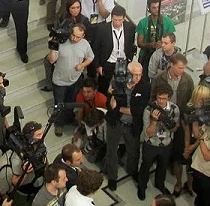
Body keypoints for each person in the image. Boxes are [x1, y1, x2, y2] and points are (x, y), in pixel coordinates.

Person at [150, 53, 194, 196]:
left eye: (184, 68)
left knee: (177, 142)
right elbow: (152, 96)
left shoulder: (187, 79)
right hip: (162, 115)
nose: (182, 70)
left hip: (179, 117)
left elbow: (190, 99)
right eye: (179, 68)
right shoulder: (160, 78)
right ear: (171, 65)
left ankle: (173, 162)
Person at [105, 61, 150, 191]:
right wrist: (112, 99)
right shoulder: (118, 82)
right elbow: (109, 103)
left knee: (134, 151)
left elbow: (137, 111)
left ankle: (133, 171)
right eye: (135, 75)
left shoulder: (145, 86)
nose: (138, 78)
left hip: (132, 125)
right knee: (111, 150)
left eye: (140, 75)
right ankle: (112, 177)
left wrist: (118, 108)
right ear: (128, 73)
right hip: (115, 122)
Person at [47, 24, 94, 136]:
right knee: (59, 104)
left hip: (75, 80)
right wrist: (52, 47)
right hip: (59, 81)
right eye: (73, 35)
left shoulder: (85, 44)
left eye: (78, 37)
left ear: (83, 36)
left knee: (71, 102)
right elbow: (51, 60)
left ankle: (68, 119)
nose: (74, 38)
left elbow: (90, 57)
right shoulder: (62, 42)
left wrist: (82, 65)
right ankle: (59, 124)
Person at [137, 84, 180, 201]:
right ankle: (142, 186)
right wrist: (154, 121)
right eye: (159, 98)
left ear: (168, 97)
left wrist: (168, 124)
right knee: (145, 166)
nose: (161, 101)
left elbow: (175, 128)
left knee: (162, 166)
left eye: (164, 98)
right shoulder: (148, 109)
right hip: (151, 144)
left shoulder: (175, 109)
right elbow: (148, 133)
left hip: (166, 144)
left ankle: (160, 184)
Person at [42, 0, 92, 92]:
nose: (76, 10)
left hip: (77, 48)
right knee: (48, 61)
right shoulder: (64, 17)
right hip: (63, 44)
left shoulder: (84, 20)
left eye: (78, 7)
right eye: (73, 8)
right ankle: (50, 84)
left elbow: (88, 38)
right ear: (68, 8)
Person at [0, 121, 45, 196]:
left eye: (42, 133)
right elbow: (15, 182)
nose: (42, 137)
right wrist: (25, 172)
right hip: (1, 185)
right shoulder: (17, 160)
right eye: (38, 135)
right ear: (29, 138)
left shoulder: (38, 146)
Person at [92, 5, 136, 95]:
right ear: (111, 17)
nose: (117, 22)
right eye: (115, 19)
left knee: (121, 88)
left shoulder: (130, 28)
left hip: (123, 62)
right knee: (104, 88)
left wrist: (129, 59)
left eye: (120, 20)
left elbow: (131, 45)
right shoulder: (102, 29)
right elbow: (96, 48)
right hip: (108, 62)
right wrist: (98, 65)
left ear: (124, 18)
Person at [180, 85, 210, 196]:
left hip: (202, 142)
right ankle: (188, 184)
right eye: (203, 98)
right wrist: (187, 147)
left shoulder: (208, 110)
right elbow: (187, 131)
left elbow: (204, 133)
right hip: (191, 139)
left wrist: (194, 146)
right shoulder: (188, 110)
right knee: (189, 165)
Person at [136, 0, 175, 77]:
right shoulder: (143, 22)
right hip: (146, 56)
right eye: (154, 8)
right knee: (143, 80)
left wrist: (162, 44)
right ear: (149, 8)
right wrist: (151, 45)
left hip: (163, 56)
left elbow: (172, 41)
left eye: (158, 7)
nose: (157, 9)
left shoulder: (168, 22)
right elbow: (139, 43)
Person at [73, 77, 107, 144]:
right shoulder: (80, 96)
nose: (85, 95)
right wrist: (80, 128)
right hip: (86, 119)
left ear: (95, 91)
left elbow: (105, 118)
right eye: (84, 91)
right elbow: (80, 113)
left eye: (88, 92)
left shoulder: (102, 100)